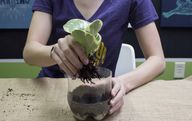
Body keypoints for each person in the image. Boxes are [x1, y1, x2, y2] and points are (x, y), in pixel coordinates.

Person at [23, 0, 166, 115]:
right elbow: (29, 52)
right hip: (51, 92)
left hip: (100, 95)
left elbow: (157, 59)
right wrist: (55, 51)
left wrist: (123, 83)